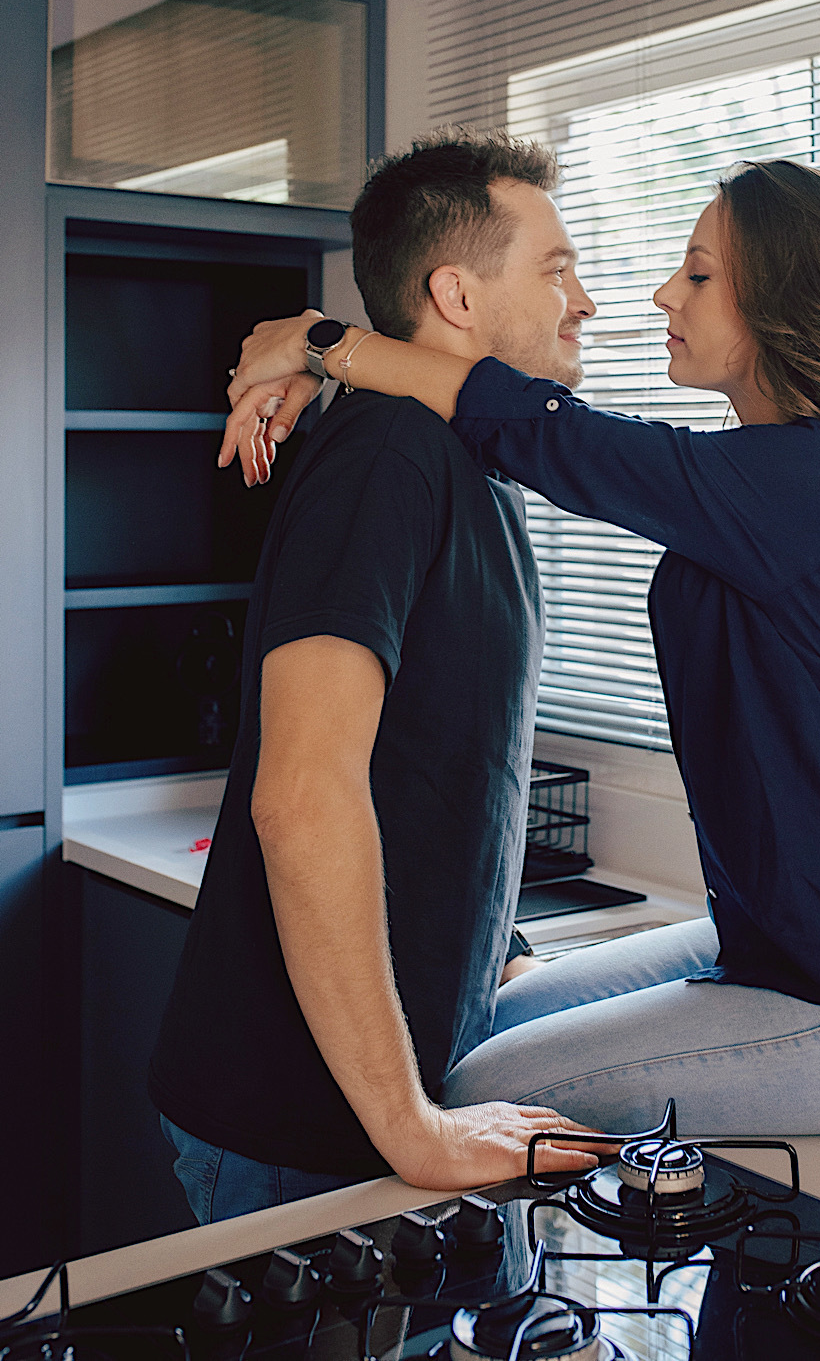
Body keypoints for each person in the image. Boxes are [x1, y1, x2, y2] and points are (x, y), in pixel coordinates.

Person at [223, 155, 820, 1138]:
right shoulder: (764, 476)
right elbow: (542, 432)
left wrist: (326, 343)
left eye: (697, 273)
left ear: (780, 295)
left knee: (469, 1095)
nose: (657, 294)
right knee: (477, 1034)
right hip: (788, 946)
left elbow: (553, 433)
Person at [150, 131, 606, 1224]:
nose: (583, 300)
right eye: (554, 269)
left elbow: (441, 756)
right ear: (454, 291)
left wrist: (481, 942)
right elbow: (301, 795)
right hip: (298, 1128)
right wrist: (413, 1124)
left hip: (389, 1098)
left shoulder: (465, 457)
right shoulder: (390, 456)